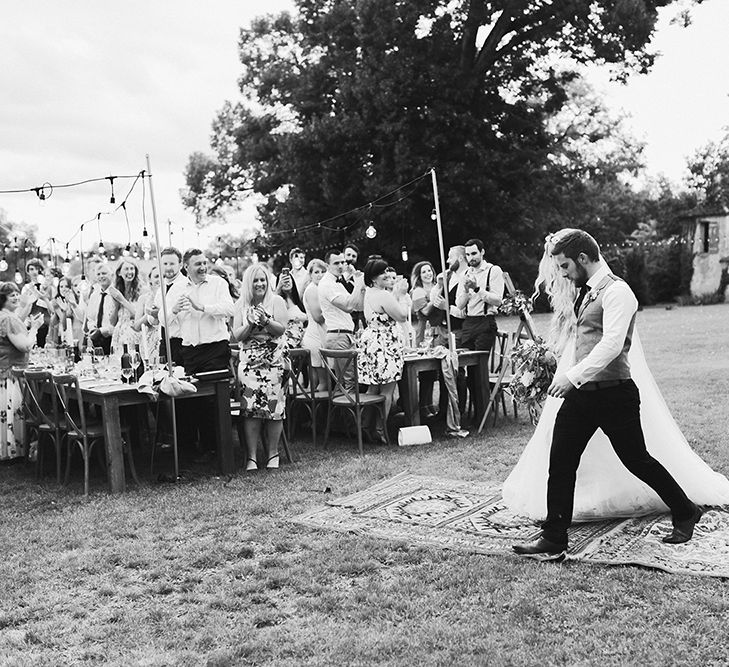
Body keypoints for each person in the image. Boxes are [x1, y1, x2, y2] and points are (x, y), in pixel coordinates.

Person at [511, 229, 708, 559]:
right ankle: (555, 535)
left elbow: (612, 345)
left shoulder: (619, 292)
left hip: (614, 395)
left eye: (564, 266)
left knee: (637, 460)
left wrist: (572, 377)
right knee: (560, 460)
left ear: (583, 259)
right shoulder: (586, 291)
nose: (562, 273)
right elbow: (584, 338)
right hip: (582, 397)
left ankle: (686, 510)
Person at [174, 248, 235, 461]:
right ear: (186, 267)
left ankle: (218, 449)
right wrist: (173, 310)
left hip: (215, 348)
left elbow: (230, 309)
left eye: (204, 263)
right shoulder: (179, 288)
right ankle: (195, 448)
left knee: (213, 400)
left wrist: (203, 307)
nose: (202, 267)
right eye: (197, 264)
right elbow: (164, 319)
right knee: (191, 399)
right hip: (190, 351)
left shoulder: (218, 284)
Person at [232, 263, 288, 471]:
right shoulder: (241, 304)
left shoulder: (277, 301)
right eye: (255, 280)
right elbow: (236, 335)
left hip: (273, 364)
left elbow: (281, 329)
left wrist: (266, 321)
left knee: (275, 409)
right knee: (250, 410)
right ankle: (252, 457)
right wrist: (249, 324)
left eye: (263, 279)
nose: (260, 283)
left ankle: (273, 453)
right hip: (250, 367)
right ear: (249, 283)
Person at [358, 260, 409, 443]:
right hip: (385, 344)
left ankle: (364, 426)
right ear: (373, 278)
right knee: (387, 389)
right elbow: (402, 316)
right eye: (383, 274)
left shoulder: (368, 293)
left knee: (373, 386)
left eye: (388, 272)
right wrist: (400, 296)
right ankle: (380, 430)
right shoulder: (384, 295)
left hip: (372, 342)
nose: (387, 276)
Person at [0, 282, 44, 460]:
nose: (16, 297)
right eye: (12, 295)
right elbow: (24, 345)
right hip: (12, 372)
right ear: (3, 299)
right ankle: (16, 450)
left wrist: (27, 305)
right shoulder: (7, 318)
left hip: (5, 370)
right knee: (16, 412)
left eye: (17, 293)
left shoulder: (6, 315)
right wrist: (34, 328)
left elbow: (18, 320)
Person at [318, 249, 366, 392]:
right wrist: (358, 284)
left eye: (342, 262)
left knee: (343, 384)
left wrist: (361, 287)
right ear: (327, 266)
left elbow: (358, 306)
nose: (341, 266)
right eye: (336, 263)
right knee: (349, 381)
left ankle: (342, 414)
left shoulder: (337, 283)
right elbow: (348, 306)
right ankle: (351, 414)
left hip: (344, 335)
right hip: (338, 336)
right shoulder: (327, 284)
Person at [455, 238, 503, 355]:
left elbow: (498, 301)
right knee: (466, 362)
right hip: (468, 322)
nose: (471, 257)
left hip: (485, 321)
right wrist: (466, 291)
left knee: (479, 363)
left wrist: (477, 289)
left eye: (474, 253)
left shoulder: (493, 270)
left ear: (482, 252)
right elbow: (459, 305)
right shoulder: (465, 274)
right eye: (468, 254)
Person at [146, 247, 188, 366]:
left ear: (180, 264)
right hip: (163, 342)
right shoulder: (161, 287)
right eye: (165, 263)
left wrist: (160, 314)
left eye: (172, 263)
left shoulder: (186, 286)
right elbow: (155, 321)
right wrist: (152, 315)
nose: (168, 267)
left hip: (180, 343)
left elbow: (175, 318)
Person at [300, 259, 329, 391]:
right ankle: (319, 410)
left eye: (323, 271)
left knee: (321, 382)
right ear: (310, 275)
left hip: (320, 333)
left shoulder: (320, 289)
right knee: (323, 382)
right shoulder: (312, 290)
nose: (320, 275)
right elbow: (318, 317)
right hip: (316, 336)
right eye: (316, 272)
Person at [110, 259, 143, 353]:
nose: (130, 272)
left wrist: (122, 300)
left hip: (134, 335)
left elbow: (138, 316)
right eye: (126, 269)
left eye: (132, 269)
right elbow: (112, 322)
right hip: (118, 335)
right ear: (119, 273)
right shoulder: (117, 291)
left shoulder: (142, 291)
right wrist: (116, 306)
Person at [84, 264, 118, 355]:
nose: (101, 276)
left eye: (104, 273)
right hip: (96, 339)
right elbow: (90, 318)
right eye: (98, 274)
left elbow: (118, 320)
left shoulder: (116, 294)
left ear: (111, 275)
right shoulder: (94, 295)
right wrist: (93, 329)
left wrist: (101, 331)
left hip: (112, 338)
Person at [18, 259, 52, 347]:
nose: (34, 272)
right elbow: (22, 307)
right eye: (32, 269)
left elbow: (51, 308)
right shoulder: (26, 288)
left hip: (46, 325)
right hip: (30, 324)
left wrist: (42, 296)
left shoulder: (48, 288)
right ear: (28, 272)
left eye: (37, 269)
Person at [134, 266, 161, 363]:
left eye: (163, 276)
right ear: (150, 279)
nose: (160, 279)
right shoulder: (144, 298)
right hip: (148, 343)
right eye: (157, 276)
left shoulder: (170, 296)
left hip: (166, 341)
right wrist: (149, 315)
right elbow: (136, 326)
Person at [276, 266, 307, 349]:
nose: (286, 282)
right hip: (288, 344)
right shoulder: (279, 301)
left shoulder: (298, 301)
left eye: (288, 279)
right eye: (283, 279)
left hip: (303, 342)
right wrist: (278, 288)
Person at [49, 277, 85, 347]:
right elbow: (56, 323)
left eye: (66, 286)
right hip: (64, 335)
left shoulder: (75, 300)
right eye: (61, 286)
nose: (63, 289)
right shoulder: (58, 301)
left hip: (78, 333)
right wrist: (58, 309)